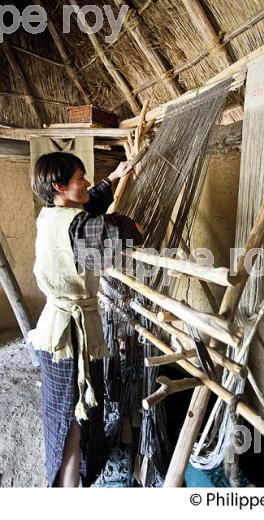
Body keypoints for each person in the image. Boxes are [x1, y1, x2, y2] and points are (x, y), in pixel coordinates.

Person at [29, 151, 143, 487]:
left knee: (66, 417)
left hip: (54, 330)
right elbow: (113, 231)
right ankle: (67, 490)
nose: (88, 183)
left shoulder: (50, 215)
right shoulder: (79, 228)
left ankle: (67, 483)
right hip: (69, 337)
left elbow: (87, 208)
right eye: (81, 178)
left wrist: (116, 178)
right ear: (59, 185)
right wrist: (132, 226)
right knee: (73, 419)